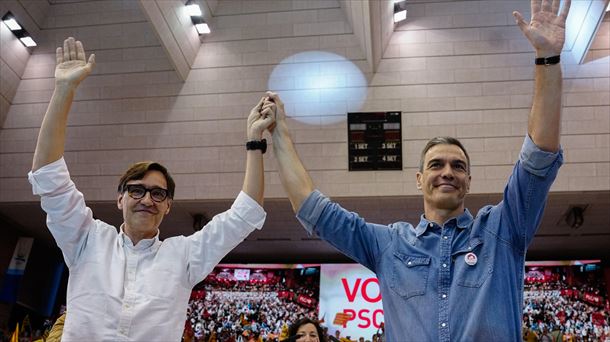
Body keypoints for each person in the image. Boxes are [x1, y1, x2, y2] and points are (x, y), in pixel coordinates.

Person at [267, 0, 571, 340]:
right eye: (436, 164)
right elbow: (314, 210)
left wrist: (547, 61)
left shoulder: (502, 231)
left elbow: (538, 158)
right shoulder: (389, 245)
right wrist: (280, 134)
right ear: (418, 179)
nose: (447, 172)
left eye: (458, 166)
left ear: (468, 181)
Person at [28, 37, 275, 341]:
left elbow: (245, 213)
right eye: (137, 190)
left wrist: (254, 141)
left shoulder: (184, 256)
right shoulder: (86, 239)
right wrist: (64, 90)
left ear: (168, 205)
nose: (147, 199)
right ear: (120, 199)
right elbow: (48, 174)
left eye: (158, 193)